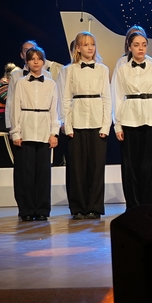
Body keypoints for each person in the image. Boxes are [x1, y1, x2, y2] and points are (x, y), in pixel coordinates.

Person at [112, 29, 152, 208]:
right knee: (130, 167)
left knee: (148, 167)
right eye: (136, 45)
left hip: (150, 120)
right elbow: (117, 97)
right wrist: (118, 125)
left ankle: (148, 207)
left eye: (144, 45)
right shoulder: (122, 69)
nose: (141, 48)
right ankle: (133, 207)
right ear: (129, 47)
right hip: (129, 120)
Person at [61, 32, 111, 219]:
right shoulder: (70, 70)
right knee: (77, 167)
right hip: (77, 122)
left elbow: (107, 99)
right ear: (78, 48)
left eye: (92, 44)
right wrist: (68, 125)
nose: (90, 48)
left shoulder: (102, 69)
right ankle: (78, 208)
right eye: (86, 44)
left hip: (97, 122)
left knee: (96, 168)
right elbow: (66, 99)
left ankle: (95, 207)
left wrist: (106, 126)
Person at [10, 46, 59, 221]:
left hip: (44, 131)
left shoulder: (51, 84)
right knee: (25, 173)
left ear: (44, 62)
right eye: (32, 59)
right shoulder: (21, 83)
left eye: (39, 59)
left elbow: (54, 110)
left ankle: (42, 209)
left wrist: (54, 133)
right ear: (27, 62)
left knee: (43, 173)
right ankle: (26, 209)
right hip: (26, 129)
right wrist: (16, 132)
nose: (36, 62)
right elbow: (15, 108)